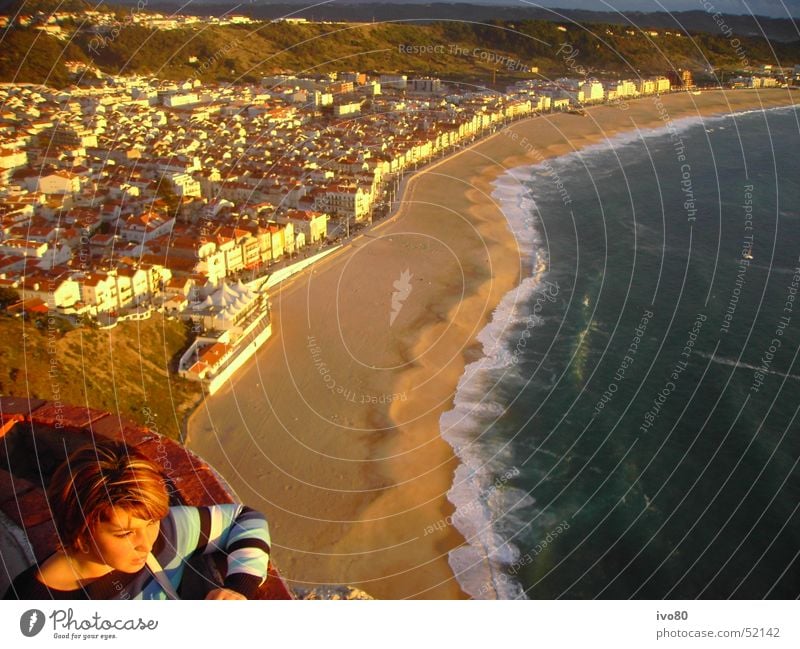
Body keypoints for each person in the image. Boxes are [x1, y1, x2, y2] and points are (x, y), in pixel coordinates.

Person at [3, 439, 271, 600]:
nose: (146, 544)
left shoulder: (165, 533)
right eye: (125, 534)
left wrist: (239, 587)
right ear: (80, 532)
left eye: (151, 522)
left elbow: (243, 518)